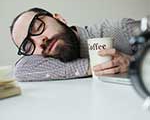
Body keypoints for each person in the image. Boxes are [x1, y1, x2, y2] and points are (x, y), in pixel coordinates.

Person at [10, 7, 144, 81]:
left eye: (38, 27)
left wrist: (135, 64)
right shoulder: (44, 59)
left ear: (59, 19)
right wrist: (92, 67)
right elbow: (21, 69)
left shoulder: (121, 29)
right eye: (28, 46)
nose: (40, 42)